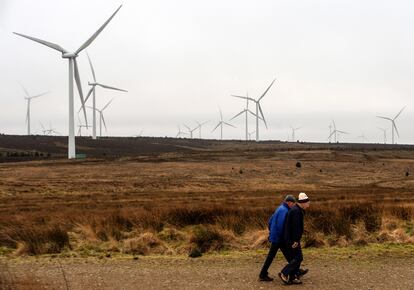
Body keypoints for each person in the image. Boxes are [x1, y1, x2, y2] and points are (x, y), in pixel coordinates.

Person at [258, 195, 296, 282]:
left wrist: (271, 233)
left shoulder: (280, 208)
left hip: (276, 236)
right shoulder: (285, 211)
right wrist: (285, 237)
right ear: (289, 202)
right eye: (293, 203)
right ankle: (262, 274)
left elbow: (270, 221)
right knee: (277, 256)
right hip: (279, 238)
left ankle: (296, 270)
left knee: (286, 255)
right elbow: (282, 226)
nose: (294, 205)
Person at [279, 192, 310, 285]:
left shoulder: (296, 210)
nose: (308, 205)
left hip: (290, 239)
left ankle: (293, 278)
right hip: (292, 240)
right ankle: (284, 273)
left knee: (295, 258)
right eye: (308, 203)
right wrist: (296, 240)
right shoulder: (296, 211)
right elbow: (295, 227)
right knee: (298, 257)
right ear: (303, 202)